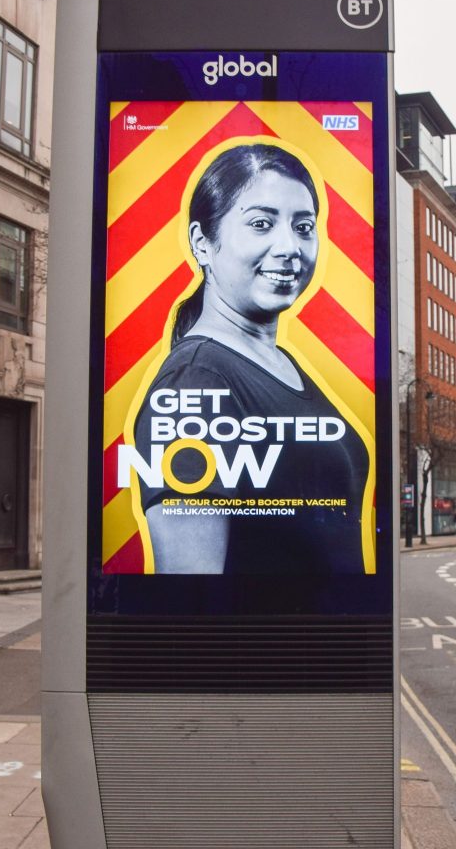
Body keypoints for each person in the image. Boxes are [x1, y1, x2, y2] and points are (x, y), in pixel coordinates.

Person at [133, 142, 369, 574]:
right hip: (266, 643)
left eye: (303, 226)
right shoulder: (197, 380)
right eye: (261, 224)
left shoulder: (280, 363)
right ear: (202, 243)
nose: (289, 247)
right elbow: (193, 595)